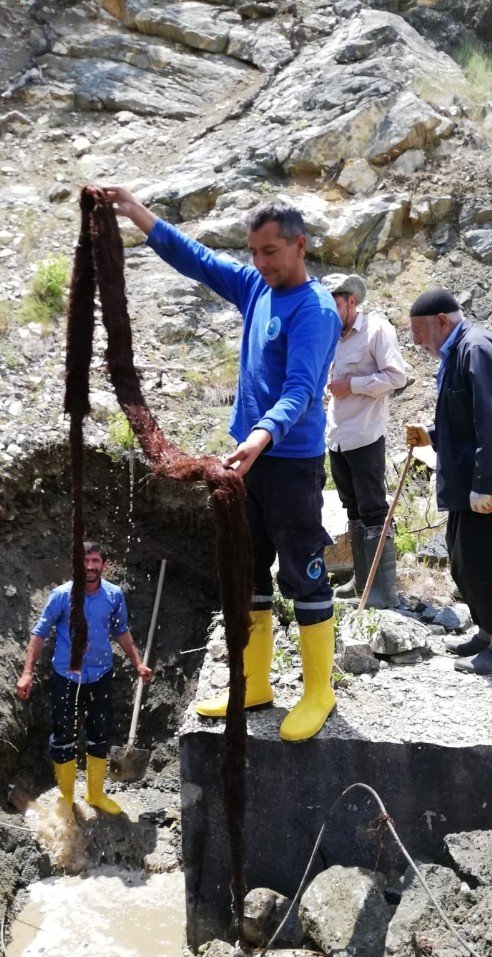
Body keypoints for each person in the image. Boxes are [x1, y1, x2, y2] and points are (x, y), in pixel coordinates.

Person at [102, 187, 342, 742]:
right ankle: (253, 683)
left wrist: (261, 435)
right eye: (253, 252)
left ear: (300, 245)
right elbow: (200, 261)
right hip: (248, 461)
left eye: (270, 252)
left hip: (291, 465)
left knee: (303, 572)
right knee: (247, 568)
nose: (259, 262)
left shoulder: (315, 309)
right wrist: (138, 213)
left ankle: (319, 691)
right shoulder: (257, 287)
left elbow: (302, 390)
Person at [16, 541, 152, 813]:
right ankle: (66, 798)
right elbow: (39, 633)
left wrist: (138, 663)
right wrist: (27, 673)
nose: (90, 566)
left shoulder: (114, 595)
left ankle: (95, 794)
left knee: (99, 734)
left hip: (101, 675)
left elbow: (121, 630)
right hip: (66, 676)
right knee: (63, 735)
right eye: (85, 561)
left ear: (104, 565)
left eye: (95, 561)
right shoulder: (61, 596)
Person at [406, 288, 492, 676]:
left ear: (441, 321)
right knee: (462, 562)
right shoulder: (456, 353)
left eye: (418, 332)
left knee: (482, 563)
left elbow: (489, 421)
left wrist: (486, 483)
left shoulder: (476, 348)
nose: (415, 342)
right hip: (463, 482)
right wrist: (430, 434)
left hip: (481, 484)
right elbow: (462, 420)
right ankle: (485, 632)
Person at [321, 272, 407, 607]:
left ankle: (382, 592)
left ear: (351, 301)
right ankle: (362, 583)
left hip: (366, 434)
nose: (328, 312)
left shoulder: (376, 329)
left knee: (373, 511)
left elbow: (396, 376)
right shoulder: (331, 337)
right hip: (338, 436)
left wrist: (352, 385)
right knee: (353, 510)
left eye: (333, 305)